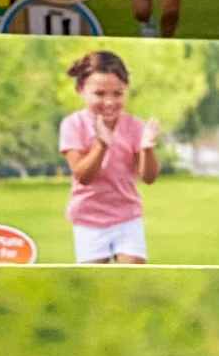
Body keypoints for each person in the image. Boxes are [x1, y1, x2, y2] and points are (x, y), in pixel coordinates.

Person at [59, 51, 160, 265]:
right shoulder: (73, 125)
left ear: (126, 91)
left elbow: (148, 177)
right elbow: (83, 175)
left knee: (133, 274)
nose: (109, 102)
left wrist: (147, 148)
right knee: (94, 280)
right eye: (99, 94)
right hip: (88, 219)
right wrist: (102, 144)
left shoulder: (134, 126)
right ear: (80, 90)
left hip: (127, 217)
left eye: (117, 93)